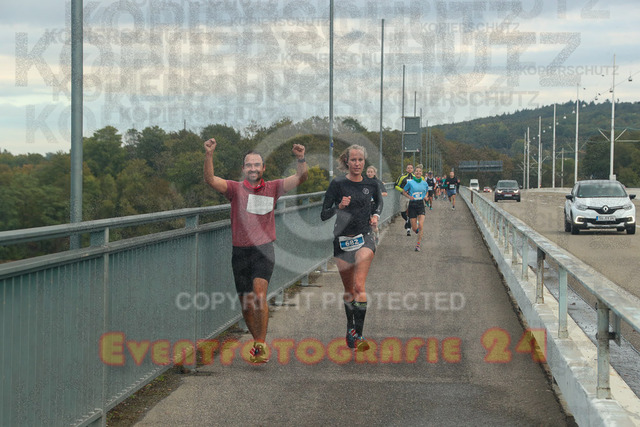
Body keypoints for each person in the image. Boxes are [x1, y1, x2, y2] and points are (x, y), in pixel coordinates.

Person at [204, 137, 308, 363]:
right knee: (246, 305)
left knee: (259, 295)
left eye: (257, 164)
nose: (253, 168)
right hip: (240, 252)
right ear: (244, 169)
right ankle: (256, 341)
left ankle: (260, 344)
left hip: (263, 249)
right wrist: (209, 154)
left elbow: (301, 177)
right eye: (249, 165)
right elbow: (210, 179)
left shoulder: (273, 188)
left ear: (263, 168)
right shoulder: (235, 189)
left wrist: (301, 158)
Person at [321, 145, 383, 352]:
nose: (357, 164)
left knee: (359, 286)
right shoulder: (337, 184)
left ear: (365, 161)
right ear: (346, 161)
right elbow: (324, 214)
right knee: (349, 290)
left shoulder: (371, 183)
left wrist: (376, 216)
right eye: (353, 160)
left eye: (360, 160)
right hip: (342, 241)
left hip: (364, 237)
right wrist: (338, 206)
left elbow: (379, 203)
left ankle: (360, 335)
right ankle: (350, 328)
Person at [402, 165, 428, 251]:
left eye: (420, 171)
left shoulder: (424, 183)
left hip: (420, 204)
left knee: (420, 225)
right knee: (414, 228)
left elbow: (426, 191)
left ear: (422, 173)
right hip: (412, 205)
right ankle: (418, 231)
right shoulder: (410, 183)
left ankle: (418, 245)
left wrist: (425, 196)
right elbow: (404, 191)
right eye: (416, 171)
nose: (418, 172)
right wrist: (409, 197)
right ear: (414, 173)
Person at [366, 165, 387, 244]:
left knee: (374, 224)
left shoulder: (378, 182)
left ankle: (376, 234)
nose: (369, 173)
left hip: (376, 204)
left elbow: (385, 193)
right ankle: (370, 238)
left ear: (374, 173)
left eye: (371, 172)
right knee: (367, 223)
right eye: (368, 172)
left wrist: (376, 194)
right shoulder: (364, 181)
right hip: (367, 205)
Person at [394, 164, 414, 236]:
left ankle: (408, 229)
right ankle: (407, 220)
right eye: (408, 168)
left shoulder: (415, 177)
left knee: (410, 212)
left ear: (413, 169)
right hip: (403, 196)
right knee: (403, 212)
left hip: (411, 197)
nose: (409, 169)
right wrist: (403, 190)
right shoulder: (402, 177)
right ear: (406, 169)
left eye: (411, 168)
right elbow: (396, 186)